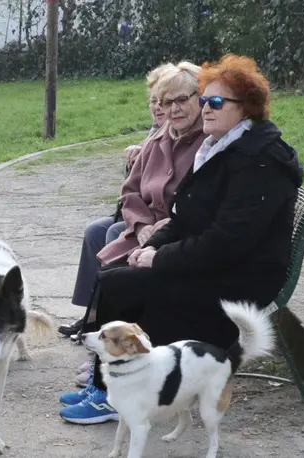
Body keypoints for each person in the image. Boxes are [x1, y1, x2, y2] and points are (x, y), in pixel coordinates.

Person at [58, 54, 304, 425]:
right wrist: (153, 245)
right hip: (218, 262)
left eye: (216, 102)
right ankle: (106, 387)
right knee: (113, 277)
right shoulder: (223, 147)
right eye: (205, 99)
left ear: (246, 109)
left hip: (242, 276)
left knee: (126, 286)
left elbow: (227, 241)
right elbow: (184, 216)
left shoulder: (258, 160)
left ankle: (113, 396)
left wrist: (162, 258)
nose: (205, 108)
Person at [61, 62, 207, 388]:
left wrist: (161, 230)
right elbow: (130, 192)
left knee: (118, 266)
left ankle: (116, 362)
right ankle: (108, 356)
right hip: (149, 231)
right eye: (166, 102)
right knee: (111, 255)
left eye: (182, 100)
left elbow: (203, 206)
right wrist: (140, 227)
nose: (173, 109)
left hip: (177, 237)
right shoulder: (157, 142)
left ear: (200, 98)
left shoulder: (206, 145)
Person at [57, 62, 184, 339]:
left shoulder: (188, 141)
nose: (161, 107)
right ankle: (91, 316)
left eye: (172, 101)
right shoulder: (155, 135)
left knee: (113, 232)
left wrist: (146, 224)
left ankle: (107, 324)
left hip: (162, 224)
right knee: (95, 231)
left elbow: (171, 194)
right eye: (156, 101)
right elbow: (132, 188)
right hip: (143, 217)